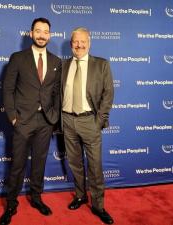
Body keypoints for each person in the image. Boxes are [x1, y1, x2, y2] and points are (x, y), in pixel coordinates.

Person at [0, 18, 61, 225]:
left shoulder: (56, 62)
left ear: (50, 35)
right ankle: (11, 203)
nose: (42, 35)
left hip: (45, 122)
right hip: (23, 120)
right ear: (31, 33)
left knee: (39, 162)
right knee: (17, 164)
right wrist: (13, 117)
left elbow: (56, 93)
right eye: (38, 31)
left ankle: (36, 197)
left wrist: (53, 118)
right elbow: (7, 90)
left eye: (45, 31)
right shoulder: (18, 58)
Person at [61, 27, 114, 224]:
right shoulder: (64, 65)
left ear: (89, 43)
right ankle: (80, 195)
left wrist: (98, 121)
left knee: (95, 166)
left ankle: (98, 206)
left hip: (89, 121)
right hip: (67, 120)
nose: (79, 45)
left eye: (83, 41)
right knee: (75, 163)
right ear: (71, 44)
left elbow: (108, 95)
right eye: (76, 42)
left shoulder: (101, 64)